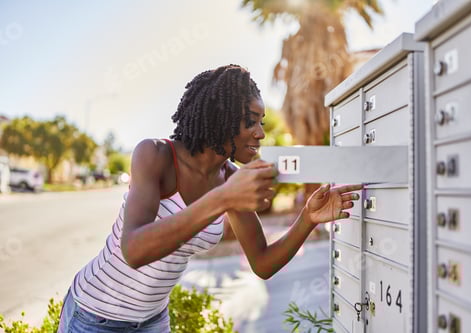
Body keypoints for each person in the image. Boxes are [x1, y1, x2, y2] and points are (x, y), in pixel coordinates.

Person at [57, 64, 362, 332]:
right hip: (93, 315)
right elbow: (134, 250)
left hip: (152, 321)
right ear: (221, 118)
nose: (260, 134)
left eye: (262, 122)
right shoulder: (155, 155)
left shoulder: (230, 180)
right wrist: (222, 199)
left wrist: (307, 218)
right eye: (250, 121)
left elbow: (263, 263)